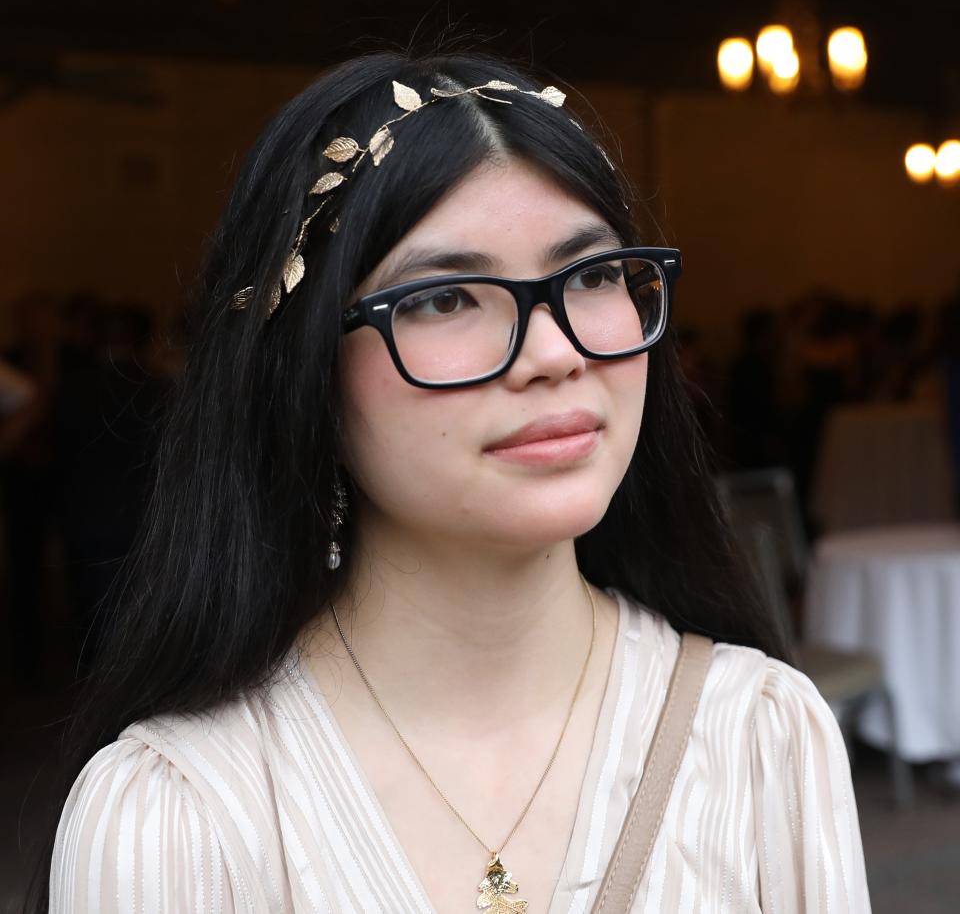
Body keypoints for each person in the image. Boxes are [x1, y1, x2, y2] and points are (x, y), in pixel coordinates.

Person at [30, 49, 870, 912]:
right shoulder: (180, 819)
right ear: (304, 371)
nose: (556, 353)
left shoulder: (762, 739)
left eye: (591, 276)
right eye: (445, 298)